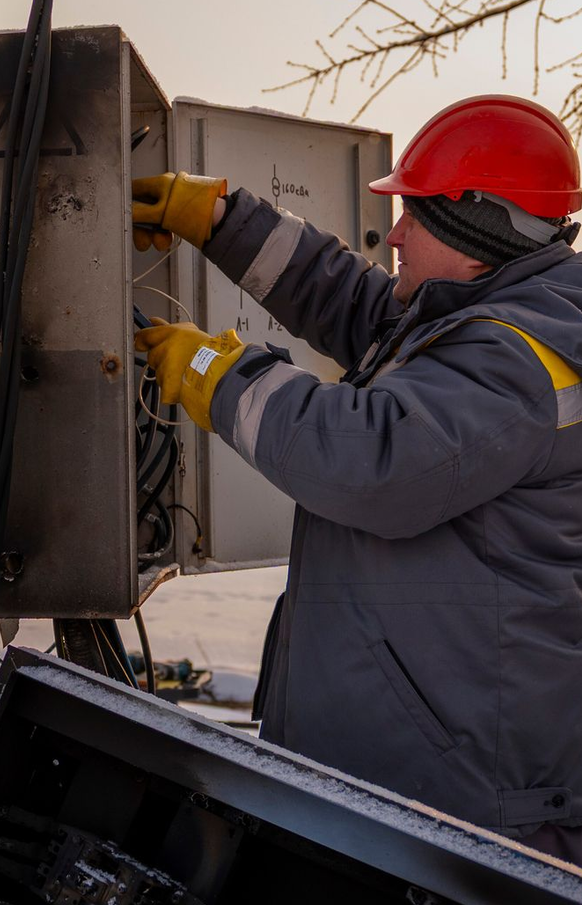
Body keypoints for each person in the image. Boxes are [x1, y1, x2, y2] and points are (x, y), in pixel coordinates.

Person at [132, 94, 582, 863]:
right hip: (419, 777)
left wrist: (217, 373)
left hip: (465, 817)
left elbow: (368, 463)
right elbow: (357, 302)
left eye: (416, 216)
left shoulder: (521, 358)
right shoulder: (493, 311)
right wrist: (221, 220)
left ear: (479, 229)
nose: (395, 234)